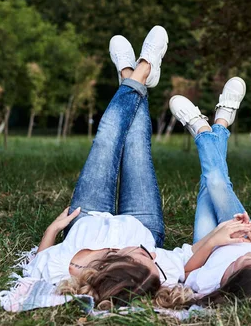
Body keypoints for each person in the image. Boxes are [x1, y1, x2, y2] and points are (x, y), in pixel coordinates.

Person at [26, 26, 193, 308]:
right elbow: (195, 254)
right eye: (152, 260)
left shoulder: (65, 269)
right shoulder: (156, 272)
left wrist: (52, 230)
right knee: (136, 144)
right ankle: (139, 72)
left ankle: (134, 74)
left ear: (111, 263)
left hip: (84, 217)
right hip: (143, 223)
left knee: (106, 139)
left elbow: (35, 267)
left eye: (142, 257)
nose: (153, 256)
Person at [168, 82, 251, 307]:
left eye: (247, 260)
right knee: (217, 182)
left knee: (208, 183)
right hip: (244, 231)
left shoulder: (209, 282)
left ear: (230, 279)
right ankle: (203, 127)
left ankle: (217, 124)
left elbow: (187, 269)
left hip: (208, 242)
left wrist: (213, 241)